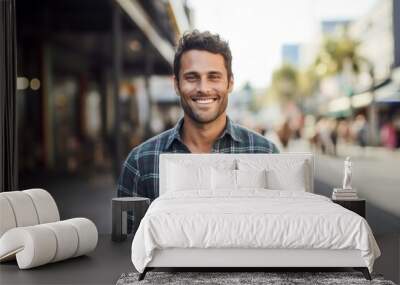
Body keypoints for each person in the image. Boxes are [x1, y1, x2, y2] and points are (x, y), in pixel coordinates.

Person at [117, 30, 279, 231]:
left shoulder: (266, 154)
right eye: (192, 77)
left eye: (214, 77)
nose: (203, 88)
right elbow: (126, 250)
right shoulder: (140, 163)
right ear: (176, 84)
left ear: (230, 83)